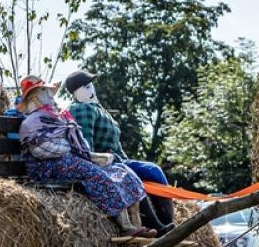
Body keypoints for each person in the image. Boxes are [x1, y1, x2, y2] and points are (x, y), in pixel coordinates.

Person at [15, 77, 157, 237]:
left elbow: (77, 142)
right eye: (43, 90)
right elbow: (42, 150)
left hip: (66, 160)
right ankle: (125, 226)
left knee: (121, 170)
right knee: (93, 172)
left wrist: (83, 152)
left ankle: (136, 222)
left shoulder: (60, 117)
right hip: (47, 168)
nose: (49, 94)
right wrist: (69, 147)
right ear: (34, 97)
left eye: (49, 90)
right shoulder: (31, 123)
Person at [62, 70, 175, 231]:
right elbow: (85, 147)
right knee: (139, 174)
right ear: (76, 93)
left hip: (120, 159)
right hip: (106, 161)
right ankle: (157, 226)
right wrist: (99, 163)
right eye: (86, 87)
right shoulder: (82, 109)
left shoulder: (96, 107)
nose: (91, 90)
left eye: (91, 86)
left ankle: (169, 222)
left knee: (153, 170)